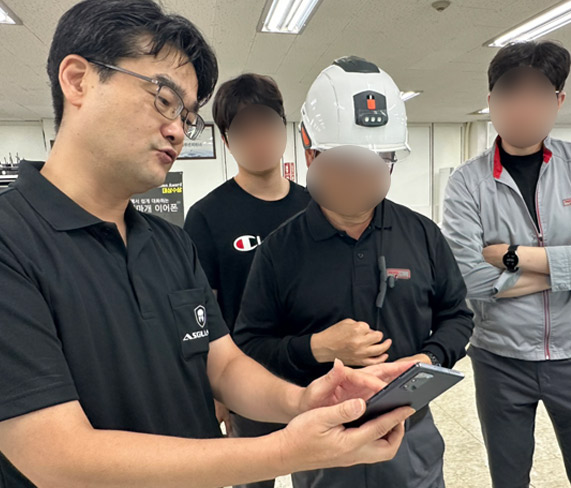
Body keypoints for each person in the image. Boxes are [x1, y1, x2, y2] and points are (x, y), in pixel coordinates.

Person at [0, 3, 418, 486]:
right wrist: (285, 450)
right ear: (78, 80)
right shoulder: (13, 242)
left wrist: (303, 400)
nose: (178, 130)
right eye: (163, 99)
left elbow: (223, 365)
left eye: (188, 115)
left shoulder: (170, 244)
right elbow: (57, 456)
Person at [233, 55, 474, 488]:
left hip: (410, 433)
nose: (361, 176)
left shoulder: (422, 235)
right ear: (310, 152)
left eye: (378, 162)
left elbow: (457, 316)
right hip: (323, 438)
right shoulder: (280, 251)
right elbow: (250, 344)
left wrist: (427, 359)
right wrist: (315, 348)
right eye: (347, 163)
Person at [442, 41, 571, 488]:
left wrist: (513, 256)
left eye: (538, 93)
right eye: (511, 92)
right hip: (499, 356)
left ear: (558, 100)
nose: (524, 105)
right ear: (491, 101)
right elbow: (469, 278)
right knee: (509, 478)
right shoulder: (466, 182)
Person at [184, 73, 310, 488]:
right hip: (247, 383)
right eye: (243, 128)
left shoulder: (315, 206)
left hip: (313, 373)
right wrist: (215, 391)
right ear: (226, 140)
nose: (258, 137)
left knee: (326, 476)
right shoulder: (207, 216)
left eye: (266, 122)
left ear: (283, 127)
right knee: (253, 481)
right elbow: (203, 312)